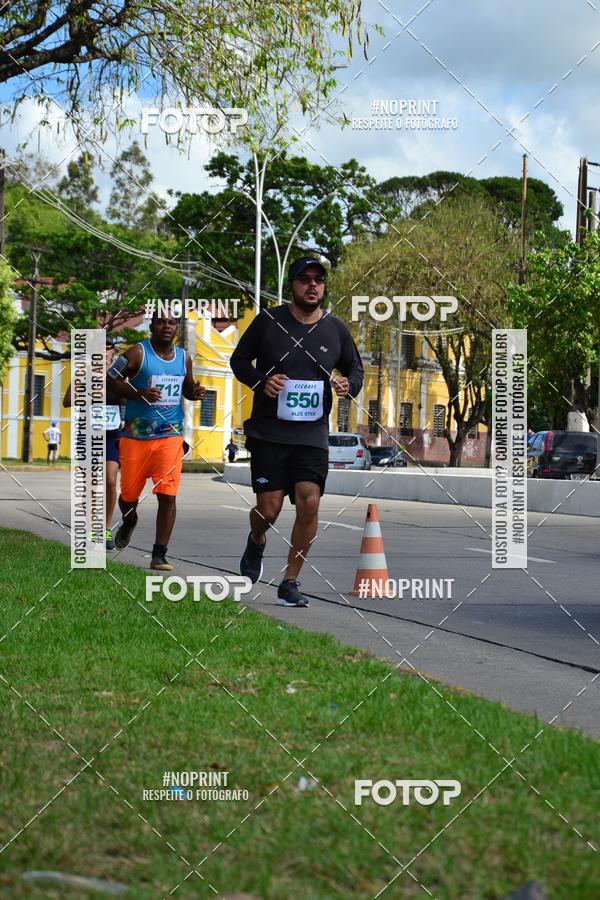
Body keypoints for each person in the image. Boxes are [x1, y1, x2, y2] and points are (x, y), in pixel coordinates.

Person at [230, 256, 364, 608]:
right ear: (293, 284)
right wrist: (262, 381)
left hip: (312, 434)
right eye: (305, 279)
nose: (312, 285)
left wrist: (349, 383)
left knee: (310, 502)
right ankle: (256, 539)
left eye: (318, 280)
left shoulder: (336, 329)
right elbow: (238, 361)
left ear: (324, 286)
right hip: (269, 433)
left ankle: (290, 581)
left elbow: (355, 367)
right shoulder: (269, 321)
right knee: (269, 511)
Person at [107, 310, 205, 570]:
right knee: (128, 496)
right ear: (151, 326)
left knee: (168, 495)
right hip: (135, 437)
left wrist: (195, 392)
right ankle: (129, 521)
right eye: (161, 322)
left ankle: (159, 554)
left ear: (177, 328)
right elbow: (110, 380)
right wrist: (138, 393)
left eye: (172, 323)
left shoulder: (184, 358)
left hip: (170, 436)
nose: (166, 326)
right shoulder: (137, 353)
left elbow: (187, 388)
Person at [63, 336, 121, 549]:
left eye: (108, 350)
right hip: (88, 433)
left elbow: (127, 398)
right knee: (93, 484)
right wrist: (88, 395)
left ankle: (105, 529)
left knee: (111, 480)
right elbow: (67, 401)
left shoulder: (117, 376)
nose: (104, 354)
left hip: (113, 433)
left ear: (113, 353)